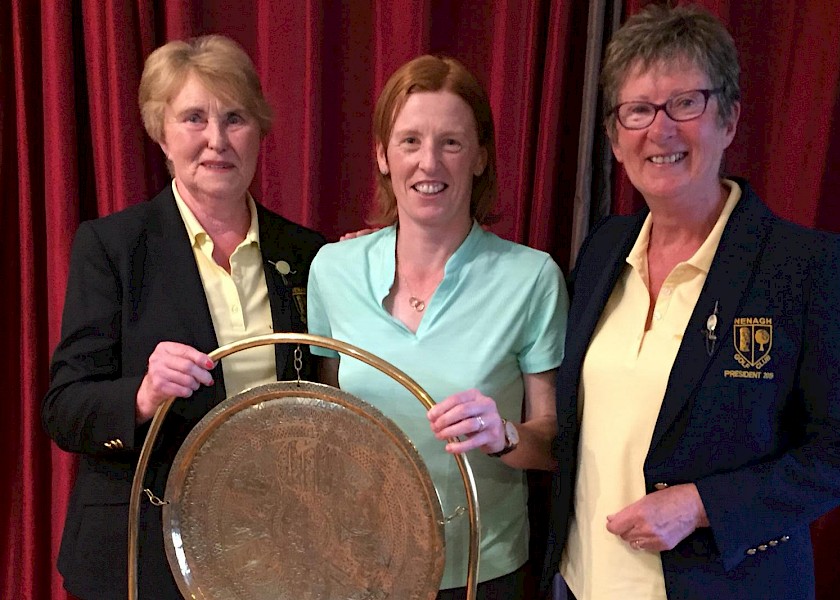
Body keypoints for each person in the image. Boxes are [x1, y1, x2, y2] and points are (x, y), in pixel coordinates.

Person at [541, 5, 840, 600]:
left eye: (686, 103)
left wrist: (701, 505)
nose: (660, 129)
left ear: (728, 118)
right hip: (580, 583)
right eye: (638, 109)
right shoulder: (602, 251)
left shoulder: (803, 267)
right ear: (615, 138)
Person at [42, 35, 325, 599]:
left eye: (235, 118)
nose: (217, 140)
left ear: (260, 133)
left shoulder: (309, 252)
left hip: (269, 554)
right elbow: (65, 410)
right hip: (139, 554)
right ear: (161, 134)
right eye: (194, 118)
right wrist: (143, 395)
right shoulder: (113, 246)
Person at [306, 54, 568, 599]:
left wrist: (504, 436)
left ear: (479, 158)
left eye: (451, 142)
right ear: (382, 155)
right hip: (358, 569)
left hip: (480, 573)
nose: (430, 163)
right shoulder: (333, 269)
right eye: (409, 141)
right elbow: (328, 418)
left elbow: (552, 444)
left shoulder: (532, 277)